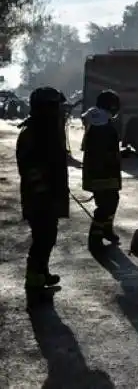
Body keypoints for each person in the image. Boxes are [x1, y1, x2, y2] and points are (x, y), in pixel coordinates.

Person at [15, 86, 69, 302]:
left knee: (48, 237)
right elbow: (29, 169)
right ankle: (33, 281)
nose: (60, 112)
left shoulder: (48, 131)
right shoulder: (31, 133)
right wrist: (44, 193)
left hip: (49, 197)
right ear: (45, 108)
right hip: (39, 199)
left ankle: (42, 273)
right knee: (42, 239)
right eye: (56, 107)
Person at [81, 89, 123, 251]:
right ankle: (95, 236)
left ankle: (106, 229)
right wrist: (115, 156)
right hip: (103, 172)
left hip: (102, 171)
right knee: (105, 204)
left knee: (112, 200)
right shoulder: (102, 123)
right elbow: (103, 150)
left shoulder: (98, 119)